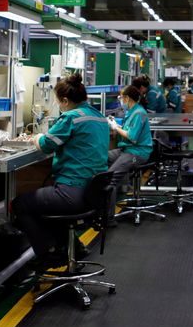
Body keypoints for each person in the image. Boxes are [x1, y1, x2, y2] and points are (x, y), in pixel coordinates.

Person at [12, 74, 109, 267]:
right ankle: (74, 246)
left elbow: (47, 144)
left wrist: (36, 138)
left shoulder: (71, 117)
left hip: (72, 192)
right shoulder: (99, 117)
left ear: (65, 100)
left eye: (58, 102)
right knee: (44, 199)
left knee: (20, 204)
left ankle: (49, 253)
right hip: (92, 193)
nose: (59, 106)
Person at [107, 85, 153, 220]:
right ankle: (120, 189)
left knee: (110, 180)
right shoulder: (132, 112)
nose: (121, 100)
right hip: (127, 149)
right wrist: (116, 124)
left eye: (122, 98)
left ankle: (108, 218)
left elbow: (132, 137)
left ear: (127, 98)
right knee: (101, 158)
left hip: (137, 153)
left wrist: (115, 127)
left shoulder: (139, 113)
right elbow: (128, 130)